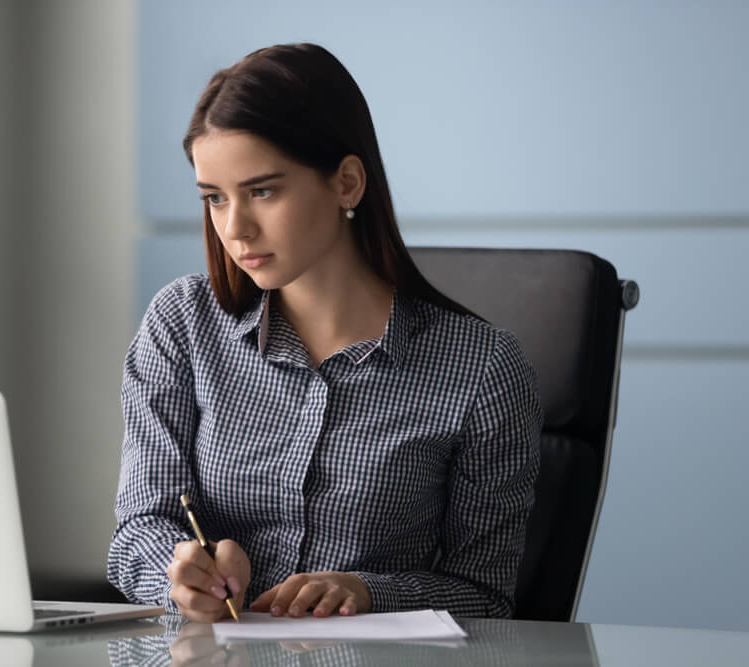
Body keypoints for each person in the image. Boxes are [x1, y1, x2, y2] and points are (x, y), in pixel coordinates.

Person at [107, 43, 542, 623]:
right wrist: (180, 572)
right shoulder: (182, 324)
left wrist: (368, 593)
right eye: (215, 198)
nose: (235, 229)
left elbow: (485, 597)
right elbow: (137, 529)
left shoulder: (483, 368)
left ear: (346, 183)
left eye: (262, 191)